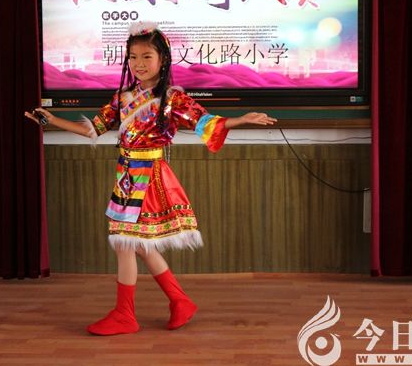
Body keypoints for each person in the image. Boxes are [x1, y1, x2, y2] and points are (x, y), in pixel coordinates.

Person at [25, 21, 277, 336]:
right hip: (126, 176)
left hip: (149, 176)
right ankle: (179, 301)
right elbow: (94, 129)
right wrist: (52, 120)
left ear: (163, 59)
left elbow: (204, 122)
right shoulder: (123, 97)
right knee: (139, 245)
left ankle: (125, 314)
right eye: (133, 57)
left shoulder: (172, 98)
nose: (139, 64)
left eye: (147, 57)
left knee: (125, 242)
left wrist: (238, 120)